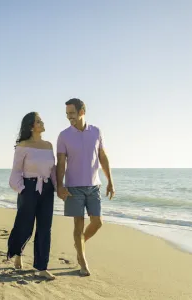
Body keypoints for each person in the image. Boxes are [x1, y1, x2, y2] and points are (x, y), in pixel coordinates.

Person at [56, 98, 115, 276]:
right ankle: (82, 260)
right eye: (67, 114)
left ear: (82, 112)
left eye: (72, 113)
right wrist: (59, 185)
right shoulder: (64, 135)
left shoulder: (96, 132)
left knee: (97, 222)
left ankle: (79, 242)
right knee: (78, 225)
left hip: (93, 186)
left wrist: (110, 181)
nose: (69, 117)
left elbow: (102, 156)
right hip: (73, 187)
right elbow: (60, 163)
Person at [6, 112, 57, 280]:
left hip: (47, 188)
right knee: (25, 225)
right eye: (38, 121)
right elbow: (16, 172)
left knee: (45, 228)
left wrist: (58, 187)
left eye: (41, 120)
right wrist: (22, 190)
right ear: (31, 126)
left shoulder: (49, 145)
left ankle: (41, 267)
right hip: (29, 188)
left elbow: (53, 170)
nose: (42, 123)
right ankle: (17, 252)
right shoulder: (23, 145)